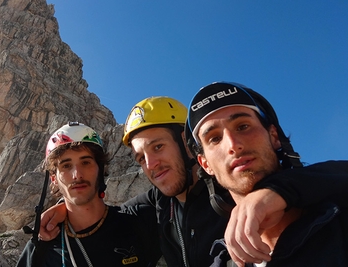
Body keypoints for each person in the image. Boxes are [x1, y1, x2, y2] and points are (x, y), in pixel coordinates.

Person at [40, 97, 348, 267]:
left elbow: (329, 176)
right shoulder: (159, 203)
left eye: (158, 146)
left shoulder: (233, 187)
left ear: (188, 145)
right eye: (140, 157)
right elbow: (108, 215)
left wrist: (274, 191)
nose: (151, 164)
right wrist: (65, 207)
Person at [186, 81, 348, 266]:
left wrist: (283, 189)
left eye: (243, 126)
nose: (233, 145)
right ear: (205, 164)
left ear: (274, 136)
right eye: (214, 138)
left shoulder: (339, 220)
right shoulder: (222, 262)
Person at [16, 122, 161, 267]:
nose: (77, 175)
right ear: (54, 179)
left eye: (86, 162)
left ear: (101, 169)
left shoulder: (138, 220)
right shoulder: (40, 250)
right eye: (66, 166)